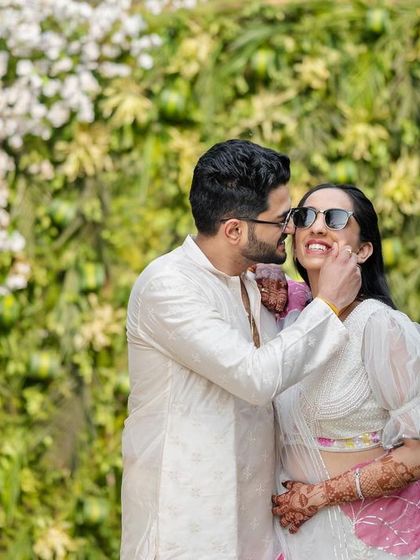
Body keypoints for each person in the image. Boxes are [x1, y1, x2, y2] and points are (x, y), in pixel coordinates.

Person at [121, 141, 361, 560]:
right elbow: (256, 377)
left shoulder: (253, 282)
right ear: (234, 230)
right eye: (281, 219)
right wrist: (329, 305)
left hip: (254, 531)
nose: (291, 228)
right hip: (184, 529)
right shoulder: (169, 287)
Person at [270, 183, 420, 559]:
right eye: (304, 217)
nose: (317, 227)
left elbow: (417, 451)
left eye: (335, 219)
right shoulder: (292, 322)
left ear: (365, 249)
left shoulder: (380, 326)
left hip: (370, 539)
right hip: (296, 537)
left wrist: (319, 496)